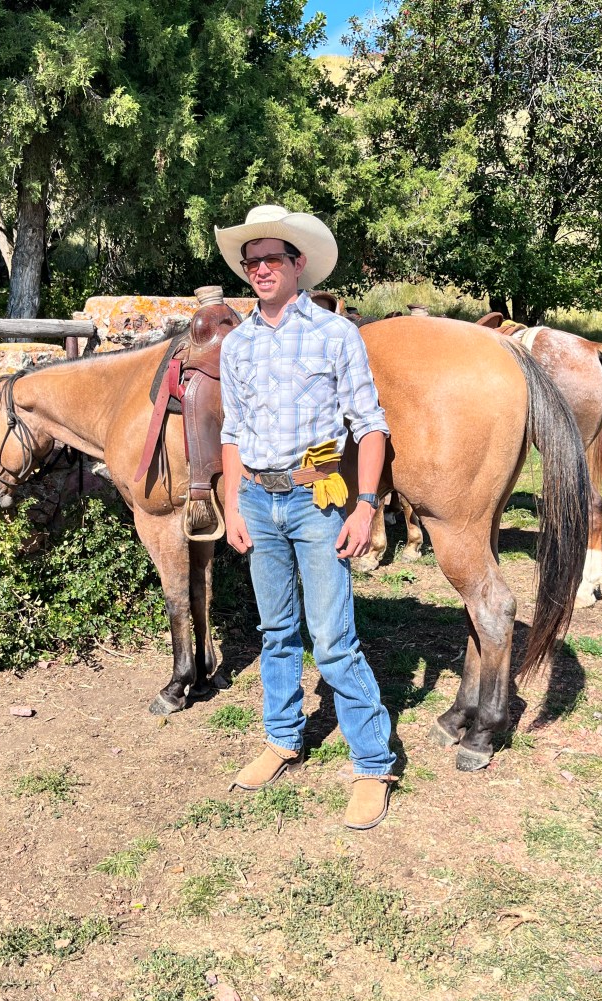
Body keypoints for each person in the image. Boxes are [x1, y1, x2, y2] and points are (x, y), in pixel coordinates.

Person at [215, 204, 397, 830]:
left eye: (273, 258)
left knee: (333, 638)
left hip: (316, 496)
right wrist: (233, 503)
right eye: (252, 261)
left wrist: (366, 505)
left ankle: (372, 763)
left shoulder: (335, 334)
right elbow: (233, 431)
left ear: (298, 265)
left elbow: (369, 426)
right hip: (257, 500)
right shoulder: (237, 344)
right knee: (275, 630)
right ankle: (282, 737)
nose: (261, 269)